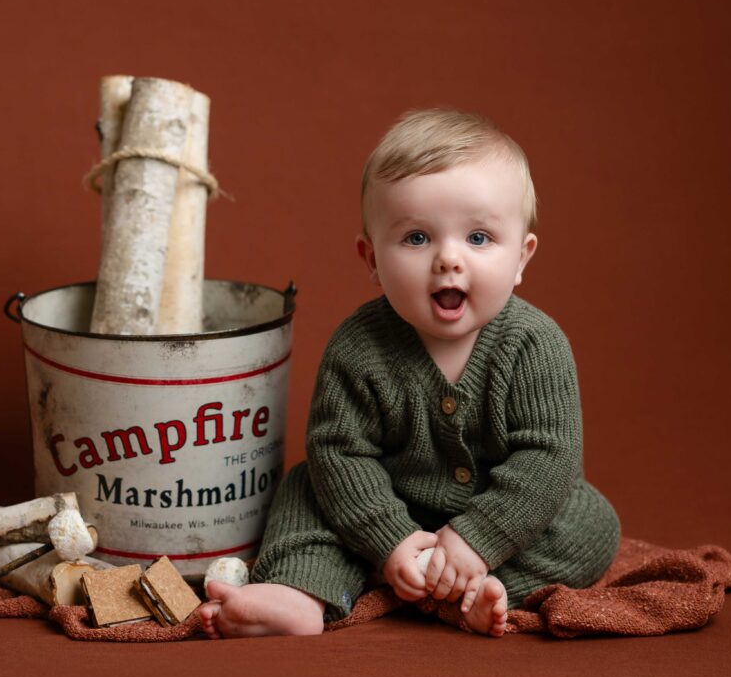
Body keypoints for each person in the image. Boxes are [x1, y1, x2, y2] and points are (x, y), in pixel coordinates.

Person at [198, 109, 620, 638]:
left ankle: (474, 587)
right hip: (383, 506)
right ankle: (299, 590)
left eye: (480, 238)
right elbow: (341, 451)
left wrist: (476, 538)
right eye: (417, 238)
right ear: (371, 259)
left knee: (590, 525)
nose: (448, 259)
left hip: (497, 511)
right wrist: (390, 538)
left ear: (521, 257)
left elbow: (548, 458)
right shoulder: (359, 346)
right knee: (310, 486)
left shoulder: (535, 344)